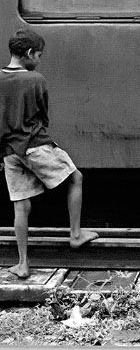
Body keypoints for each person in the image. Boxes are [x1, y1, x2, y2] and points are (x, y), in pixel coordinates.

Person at [0, 28, 98, 279]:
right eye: (39, 55)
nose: (40, 60)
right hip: (35, 144)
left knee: (21, 207)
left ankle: (23, 264)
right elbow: (42, 115)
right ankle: (75, 235)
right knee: (76, 178)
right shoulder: (36, 80)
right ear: (30, 53)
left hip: (9, 151)